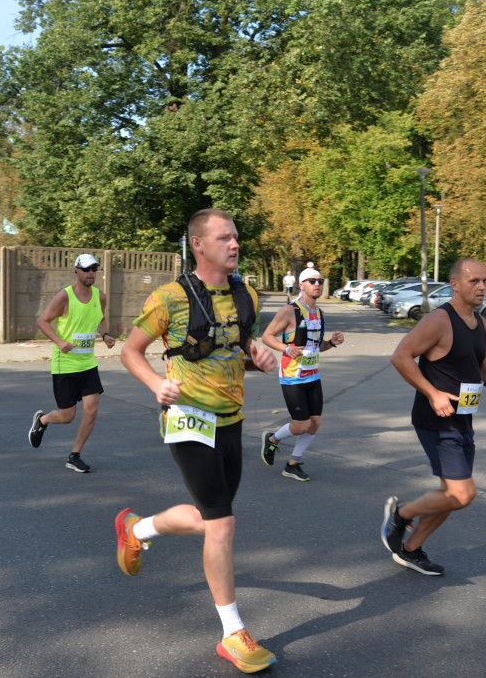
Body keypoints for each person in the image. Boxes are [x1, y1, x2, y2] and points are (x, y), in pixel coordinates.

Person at [118, 209, 279, 674]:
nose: (234, 244)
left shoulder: (246, 293)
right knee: (223, 525)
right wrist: (154, 383)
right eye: (225, 237)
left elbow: (237, 344)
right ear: (198, 245)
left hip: (231, 420)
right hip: (187, 417)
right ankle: (233, 633)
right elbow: (131, 350)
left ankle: (138, 529)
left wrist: (259, 356)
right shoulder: (169, 297)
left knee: (213, 521)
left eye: (237, 237)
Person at [381, 257, 486, 576]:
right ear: (455, 285)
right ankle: (401, 515)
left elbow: (478, 364)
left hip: (463, 419)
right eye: (474, 281)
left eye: (485, 280)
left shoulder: (481, 323)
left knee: (449, 496)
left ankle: (411, 550)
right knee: (462, 493)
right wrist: (433, 393)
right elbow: (400, 357)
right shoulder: (439, 321)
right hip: (436, 419)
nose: (482, 286)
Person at [27, 253, 115, 473]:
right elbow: (42, 321)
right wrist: (59, 341)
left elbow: (100, 319)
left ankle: (75, 456)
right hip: (64, 364)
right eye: (86, 269)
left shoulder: (100, 297)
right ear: (76, 271)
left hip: (88, 364)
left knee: (92, 410)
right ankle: (43, 420)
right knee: (67, 416)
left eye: (94, 269)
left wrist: (105, 335)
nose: (91, 273)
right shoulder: (64, 297)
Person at [259, 266, 344, 482]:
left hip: (313, 375)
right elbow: (267, 336)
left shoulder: (320, 313)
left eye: (320, 281)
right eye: (312, 281)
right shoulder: (290, 311)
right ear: (301, 285)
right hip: (292, 375)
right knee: (301, 425)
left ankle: (292, 464)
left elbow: (317, 347)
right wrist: (285, 348)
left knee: (315, 422)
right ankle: (272, 439)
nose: (317, 284)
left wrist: (332, 343)